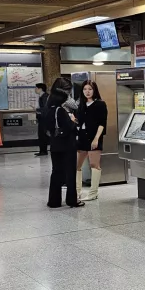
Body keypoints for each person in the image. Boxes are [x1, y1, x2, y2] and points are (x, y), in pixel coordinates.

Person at [44, 78, 81, 208]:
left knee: (56, 172)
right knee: (70, 172)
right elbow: (68, 128)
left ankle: (54, 201)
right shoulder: (61, 111)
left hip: (55, 145)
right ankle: (72, 200)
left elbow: (47, 128)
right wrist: (73, 122)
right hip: (67, 145)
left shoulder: (48, 109)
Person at [75, 80, 108, 202]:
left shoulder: (100, 104)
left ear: (94, 90)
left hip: (94, 137)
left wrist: (96, 139)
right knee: (77, 165)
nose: (87, 92)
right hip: (82, 136)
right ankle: (77, 191)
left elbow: (102, 123)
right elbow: (80, 121)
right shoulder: (81, 104)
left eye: (90, 89)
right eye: (85, 89)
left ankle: (93, 192)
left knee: (94, 165)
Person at [34, 83, 49, 157]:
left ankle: (44, 151)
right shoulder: (41, 96)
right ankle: (42, 150)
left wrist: (37, 109)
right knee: (41, 135)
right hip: (41, 118)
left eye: (36, 88)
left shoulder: (45, 96)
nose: (35, 90)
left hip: (45, 119)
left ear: (40, 89)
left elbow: (46, 108)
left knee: (43, 135)